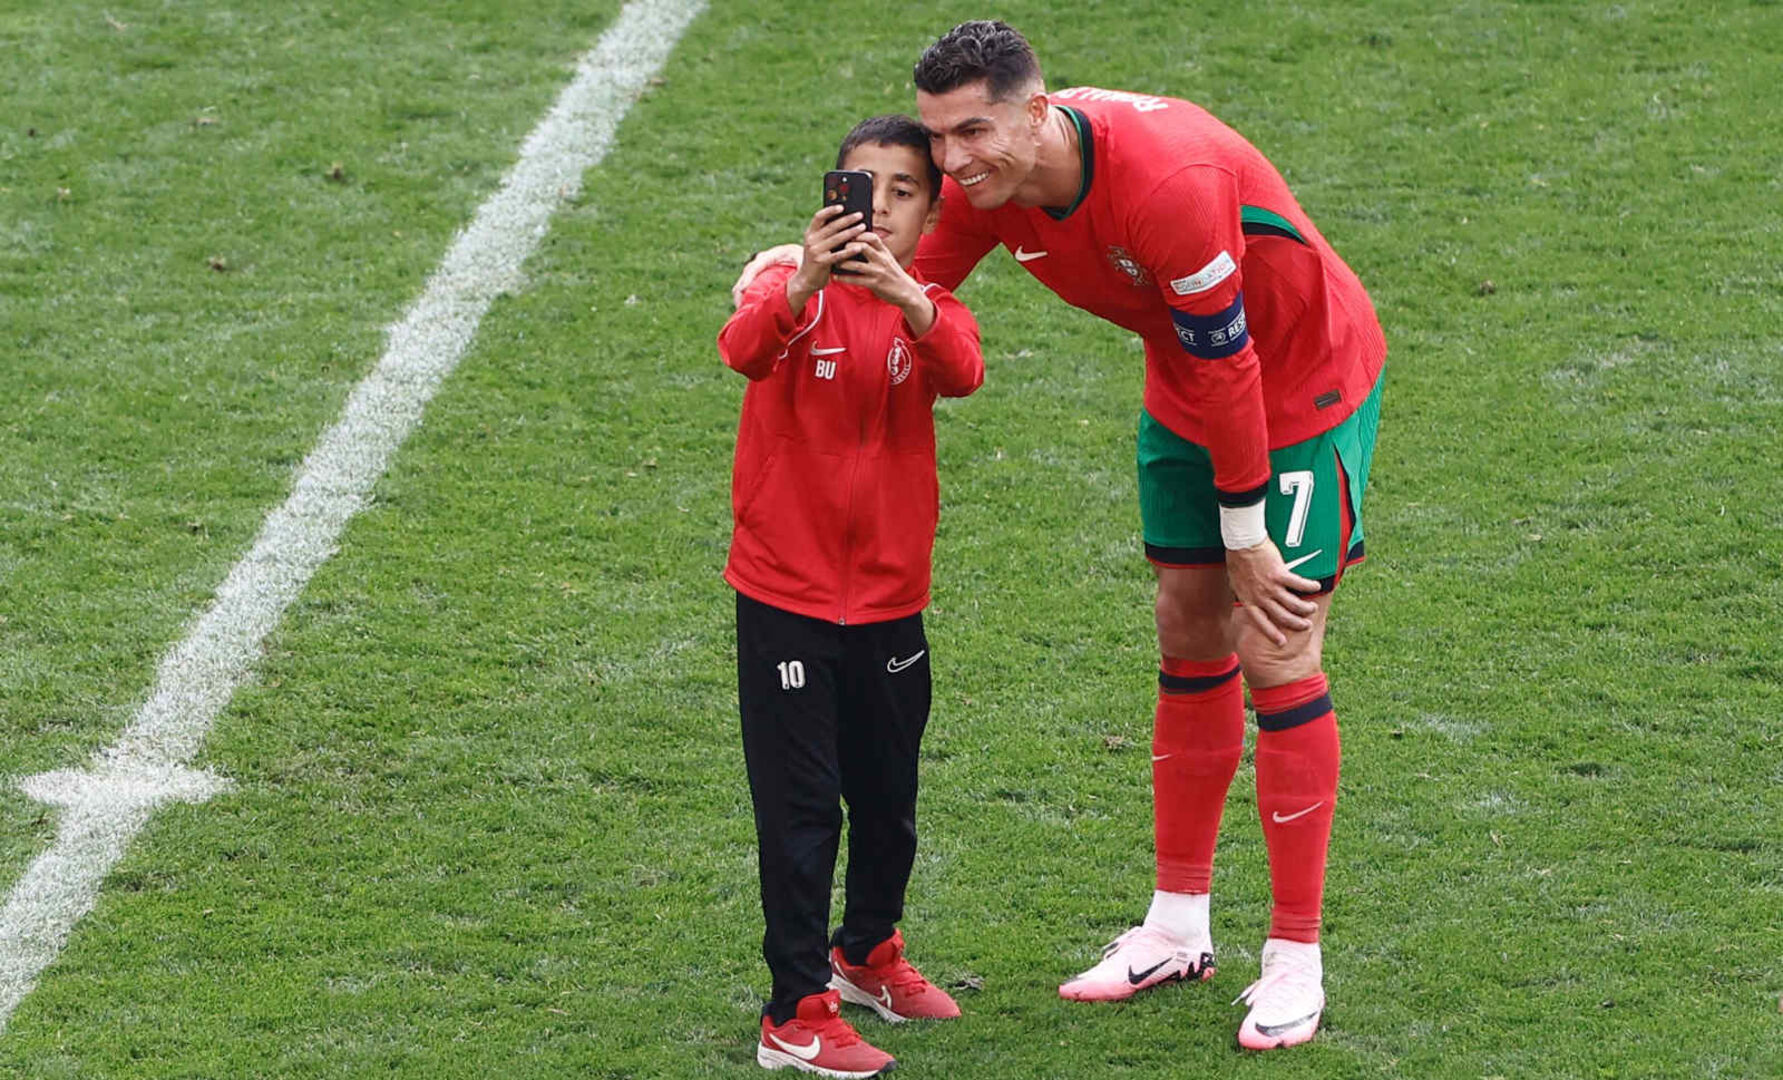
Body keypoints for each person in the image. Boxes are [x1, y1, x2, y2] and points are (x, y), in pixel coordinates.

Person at [734, 20, 1386, 1052]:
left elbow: (1235, 365)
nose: (951, 163)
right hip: (1186, 388)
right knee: (1186, 627)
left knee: (1276, 641)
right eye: (937, 137)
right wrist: (792, 272)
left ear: (1039, 113)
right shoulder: (991, 187)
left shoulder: (1166, 183)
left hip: (1298, 382)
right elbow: (911, 284)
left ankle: (1293, 957)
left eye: (972, 133)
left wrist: (1246, 530)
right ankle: (1176, 926)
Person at [720, 113, 985, 1078]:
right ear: (833, 197)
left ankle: (867, 953)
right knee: (801, 814)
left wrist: (907, 298)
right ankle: (793, 1011)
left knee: (887, 797)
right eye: (863, 189)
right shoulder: (783, 285)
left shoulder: (932, 304)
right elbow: (742, 350)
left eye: (904, 193)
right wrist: (802, 282)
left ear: (930, 215)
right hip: (785, 600)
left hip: (888, 603)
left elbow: (963, 370)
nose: (881, 210)